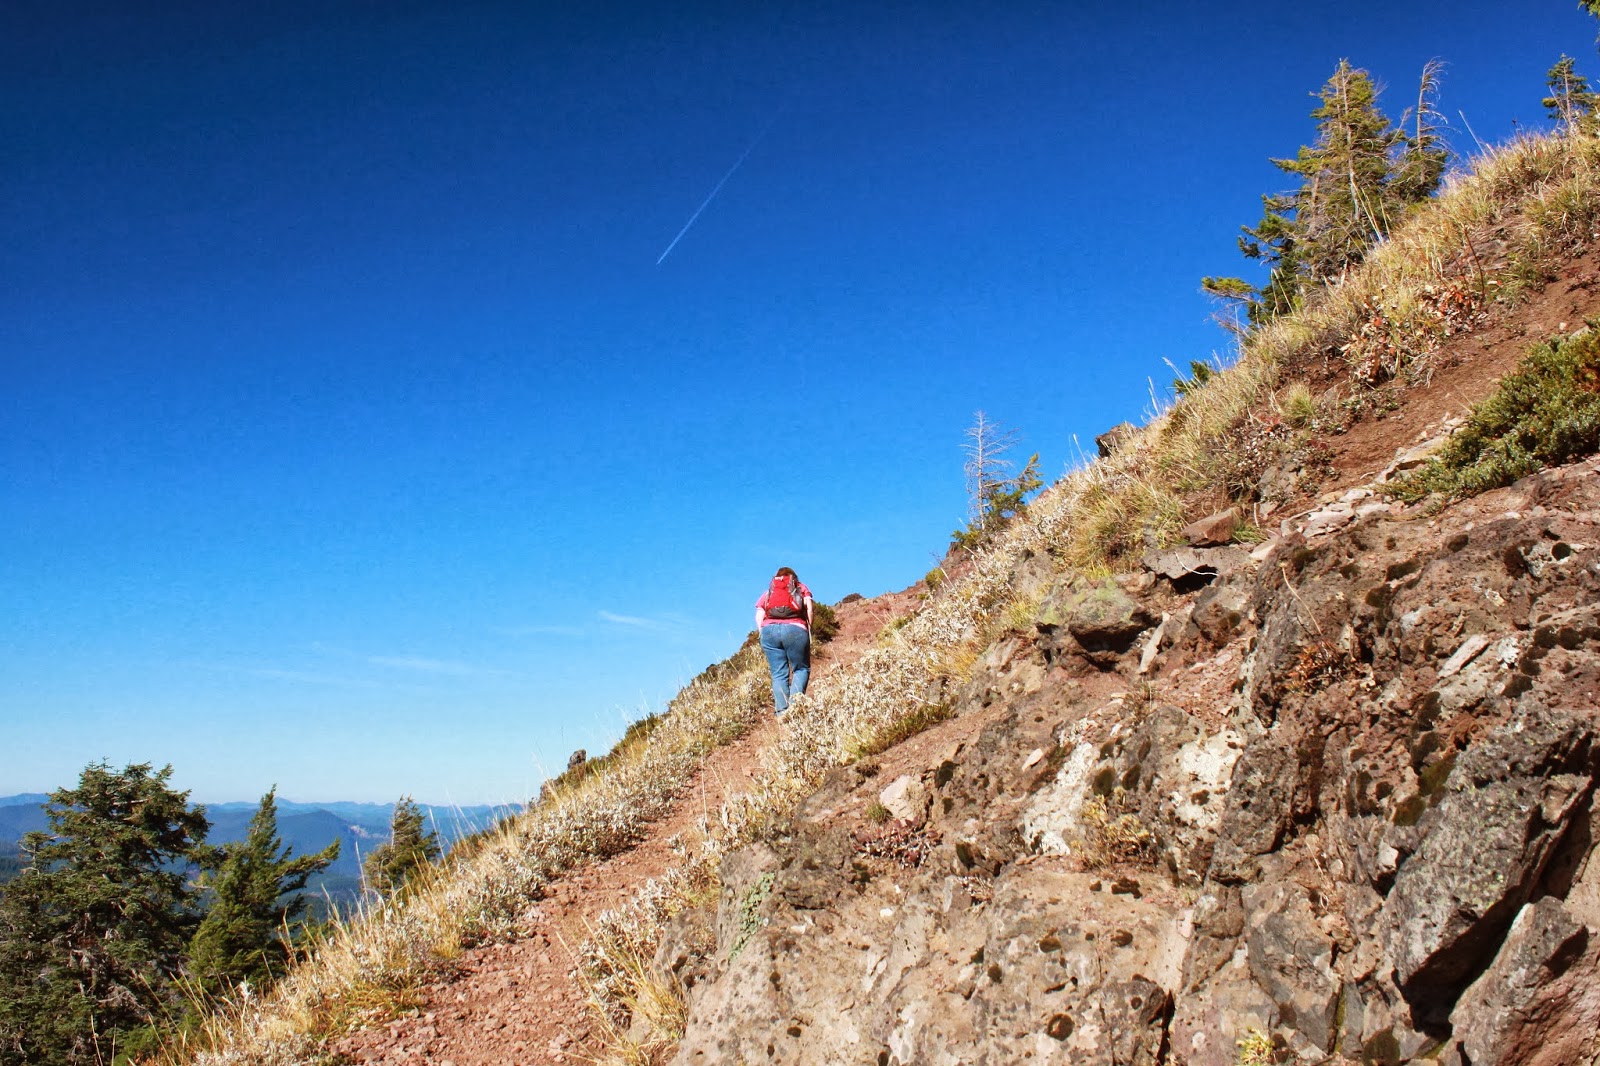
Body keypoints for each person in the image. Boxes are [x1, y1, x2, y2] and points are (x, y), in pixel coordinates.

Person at [754, 566, 813, 714]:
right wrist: (809, 628)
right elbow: (809, 608)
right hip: (795, 629)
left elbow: (759, 614)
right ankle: (795, 709)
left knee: (778, 674)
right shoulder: (800, 587)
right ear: (793, 578)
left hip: (769, 631)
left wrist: (763, 632)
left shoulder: (770, 591)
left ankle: (782, 713)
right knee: (801, 669)